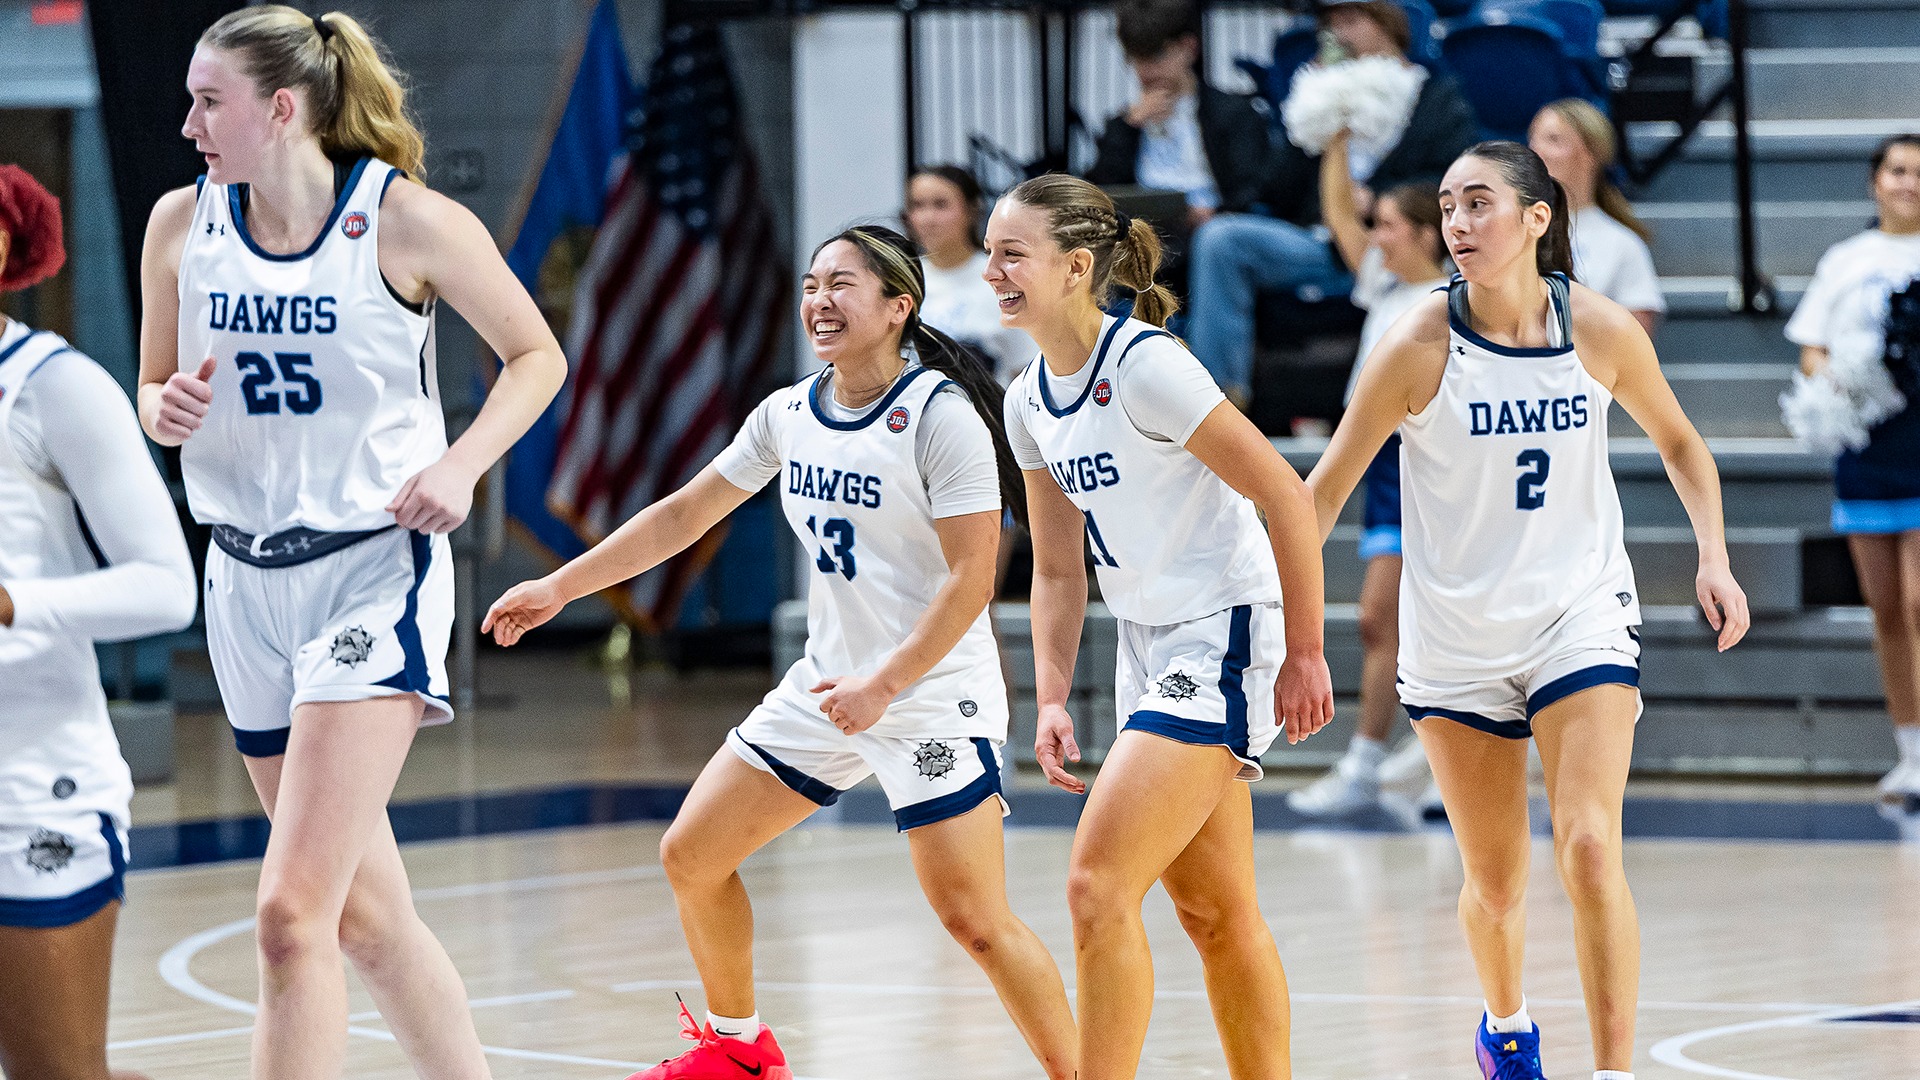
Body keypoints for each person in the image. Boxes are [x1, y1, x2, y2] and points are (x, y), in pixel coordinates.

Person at [486, 225, 1077, 1080]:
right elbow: (684, 515)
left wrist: (887, 682)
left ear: (897, 307)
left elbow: (971, 581)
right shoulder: (789, 412)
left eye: (842, 284)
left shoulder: (939, 416)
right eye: (810, 284)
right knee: (692, 854)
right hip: (829, 686)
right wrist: (561, 588)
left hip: (931, 693)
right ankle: (740, 1050)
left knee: (976, 920)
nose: (819, 302)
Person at [136, 9, 567, 1079]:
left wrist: (462, 465)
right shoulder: (178, 227)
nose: (188, 122)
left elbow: (535, 356)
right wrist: (164, 411)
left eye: (208, 100)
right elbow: (149, 388)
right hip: (239, 577)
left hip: (370, 573)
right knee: (366, 919)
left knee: (291, 917)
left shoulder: (409, 224)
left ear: (280, 109)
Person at [1307, 141, 1749, 1080]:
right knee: (1497, 885)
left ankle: (1614, 1071)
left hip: (1577, 615)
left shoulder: (1597, 328)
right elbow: (1323, 494)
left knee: (1589, 846)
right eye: (1448, 207)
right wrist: (1281, 623)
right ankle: (1505, 1030)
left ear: (1537, 218)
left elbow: (1681, 444)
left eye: (1478, 205)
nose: (1459, 225)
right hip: (1457, 636)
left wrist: (1714, 557)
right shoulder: (1415, 345)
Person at [989, 173, 1334, 1080]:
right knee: (1215, 916)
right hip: (1147, 643)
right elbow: (1058, 568)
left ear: (1074, 268)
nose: (992, 270)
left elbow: (1285, 497)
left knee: (1096, 886)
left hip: (1222, 628)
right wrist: (1054, 694)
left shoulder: (1146, 366)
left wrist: (1303, 651)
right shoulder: (1027, 399)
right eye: (989, 252)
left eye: (1011, 253)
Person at [0, 165, 193, 1080]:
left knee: (58, 1073)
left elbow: (167, 589)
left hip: (31, 789)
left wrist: (12, 602)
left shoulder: (56, 387)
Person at [1186, 0, 1477, 404]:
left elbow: (1454, 175)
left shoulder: (1435, 95)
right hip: (1318, 246)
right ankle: (1218, 401)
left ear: (1386, 23)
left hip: (1392, 247)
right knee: (1222, 239)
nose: (1337, 33)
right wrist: (1311, 106)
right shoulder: (1317, 88)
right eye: (1330, 23)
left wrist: (1379, 198)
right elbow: (1276, 189)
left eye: (1350, 19)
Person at [1288, 132, 1450, 818]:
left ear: (1423, 234)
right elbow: (1337, 215)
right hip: (1381, 464)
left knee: (1392, 617)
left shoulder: (1451, 300)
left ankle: (1390, 761)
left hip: (1429, 467)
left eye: (1388, 225)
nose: (1374, 235)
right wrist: (1337, 135)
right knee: (1384, 620)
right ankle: (1381, 762)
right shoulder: (1383, 282)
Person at [1785, 133, 1920, 799]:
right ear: (1875, 181)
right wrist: (1845, 382)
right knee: (1888, 608)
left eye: (1919, 173)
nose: (1908, 183)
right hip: (1866, 447)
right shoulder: (1847, 259)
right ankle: (1910, 748)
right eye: (1897, 170)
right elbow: (1811, 349)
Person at [1084, 0, 1276, 231]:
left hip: (1210, 228)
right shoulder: (1125, 123)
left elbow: (1253, 189)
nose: (1147, 71)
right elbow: (1100, 196)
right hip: (1143, 232)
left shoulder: (1232, 113)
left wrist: (1215, 214)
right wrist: (1129, 127)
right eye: (1137, 58)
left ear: (1189, 48)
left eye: (1157, 56)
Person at [1528, 99, 1665, 335]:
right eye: (1532, 139)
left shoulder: (1622, 243)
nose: (1536, 151)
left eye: (1553, 140)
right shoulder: (1511, 229)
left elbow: (1635, 344)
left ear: (1591, 153)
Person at [906, 165, 1035, 385]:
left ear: (972, 210)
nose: (928, 218)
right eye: (918, 205)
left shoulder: (1003, 277)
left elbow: (1026, 369)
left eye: (941, 205)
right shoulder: (902, 280)